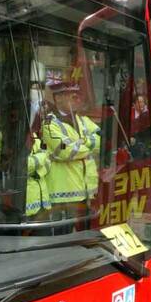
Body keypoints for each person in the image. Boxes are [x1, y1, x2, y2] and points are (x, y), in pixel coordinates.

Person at [31, 72, 101, 228]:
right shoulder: (49, 123)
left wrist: (81, 143)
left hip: (84, 191)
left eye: (76, 95)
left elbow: (99, 141)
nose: (76, 98)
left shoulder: (83, 120)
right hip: (61, 193)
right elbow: (65, 150)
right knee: (61, 233)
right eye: (71, 95)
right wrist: (86, 143)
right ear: (58, 98)